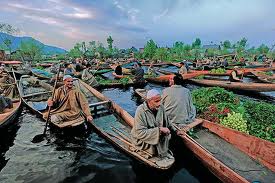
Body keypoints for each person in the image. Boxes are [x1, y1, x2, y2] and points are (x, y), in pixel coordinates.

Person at [131, 89, 176, 167]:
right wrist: (159, 130)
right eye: (156, 101)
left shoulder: (161, 107)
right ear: (149, 101)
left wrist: (176, 130)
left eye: (160, 100)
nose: (159, 103)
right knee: (153, 148)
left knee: (168, 138)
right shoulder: (140, 111)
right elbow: (140, 133)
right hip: (145, 140)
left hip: (157, 137)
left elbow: (168, 122)